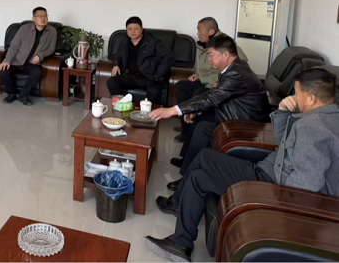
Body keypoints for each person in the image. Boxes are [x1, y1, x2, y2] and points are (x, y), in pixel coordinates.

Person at [144, 68, 339, 262]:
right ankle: (180, 242)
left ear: (311, 98)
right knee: (198, 178)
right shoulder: (327, 117)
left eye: (297, 93)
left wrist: (270, 198)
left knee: (204, 157)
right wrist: (282, 111)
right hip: (270, 172)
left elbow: (306, 186)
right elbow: (284, 143)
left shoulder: (313, 127)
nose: (294, 98)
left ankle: (178, 217)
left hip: (271, 183)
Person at [150, 36, 270, 190]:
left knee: (203, 128)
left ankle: (187, 178)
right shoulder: (235, 67)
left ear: (225, 54)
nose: (209, 59)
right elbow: (218, 97)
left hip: (246, 127)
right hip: (237, 117)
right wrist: (196, 110)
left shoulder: (236, 73)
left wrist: (171, 110)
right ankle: (188, 166)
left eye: (212, 55)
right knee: (200, 121)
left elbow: (211, 98)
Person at [173, 17, 247, 143]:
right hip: (206, 81)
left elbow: (241, 62)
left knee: (197, 94)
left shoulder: (224, 43)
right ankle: (186, 128)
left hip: (216, 85)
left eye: (199, 30)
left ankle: (192, 132)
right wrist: (199, 76)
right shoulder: (204, 44)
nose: (197, 34)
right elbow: (208, 68)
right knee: (181, 87)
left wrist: (221, 80)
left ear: (211, 31)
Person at [106, 17, 175, 105]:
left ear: (142, 29)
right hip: (131, 76)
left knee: (154, 91)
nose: (133, 32)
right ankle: (124, 105)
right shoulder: (124, 41)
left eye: (136, 29)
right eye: (130, 29)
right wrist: (116, 65)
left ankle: (147, 112)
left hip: (149, 77)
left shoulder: (153, 42)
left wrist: (158, 75)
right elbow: (118, 55)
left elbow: (169, 57)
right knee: (112, 82)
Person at [0, 7, 57, 106]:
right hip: (17, 60)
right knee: (2, 71)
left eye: (45, 16)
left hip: (32, 63)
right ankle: (11, 94)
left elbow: (51, 49)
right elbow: (14, 47)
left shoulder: (52, 31)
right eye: (40, 16)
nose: (43, 18)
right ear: (33, 19)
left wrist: (40, 55)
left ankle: (23, 95)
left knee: (37, 72)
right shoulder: (24, 28)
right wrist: (7, 60)